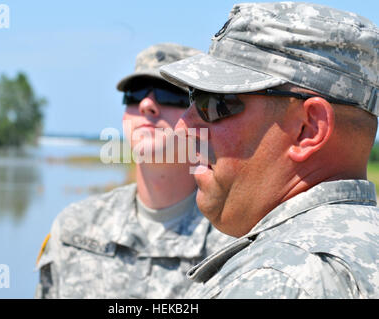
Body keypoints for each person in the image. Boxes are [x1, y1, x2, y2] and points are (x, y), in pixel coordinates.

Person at [160, 2, 379, 298]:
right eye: (193, 97)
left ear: (308, 130)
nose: (183, 127)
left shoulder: (276, 279)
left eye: (215, 102)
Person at [35, 43, 230, 298]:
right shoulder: (75, 229)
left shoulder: (232, 248)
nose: (147, 104)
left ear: (204, 113)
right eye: (135, 93)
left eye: (169, 92)